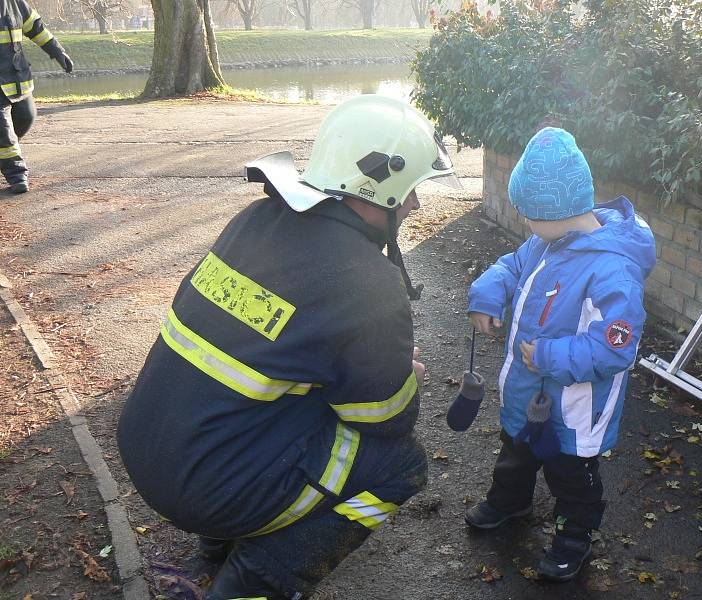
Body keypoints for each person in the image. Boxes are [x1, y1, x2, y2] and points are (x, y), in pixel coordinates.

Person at [117, 95, 462, 599]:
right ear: (379, 185)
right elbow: (385, 418)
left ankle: (216, 546)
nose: (415, 204)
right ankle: (257, 582)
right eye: (411, 188)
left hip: (149, 446)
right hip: (208, 488)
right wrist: (406, 378)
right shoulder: (368, 281)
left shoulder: (255, 221)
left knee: (273, 394)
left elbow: (262, 346)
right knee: (401, 465)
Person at [465, 127, 655, 581]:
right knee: (516, 449)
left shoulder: (612, 269)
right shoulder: (547, 241)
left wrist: (548, 356)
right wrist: (489, 294)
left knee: (572, 474)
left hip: (574, 406)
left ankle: (574, 534)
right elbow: (512, 265)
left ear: (558, 211)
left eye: (529, 216)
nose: (525, 224)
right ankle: (511, 502)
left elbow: (617, 347)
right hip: (528, 392)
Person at [1, 0, 73, 194]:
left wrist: (57, 51)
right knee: (3, 130)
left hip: (16, 78)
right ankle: (17, 174)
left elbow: (36, 28)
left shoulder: (15, 3)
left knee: (26, 117)